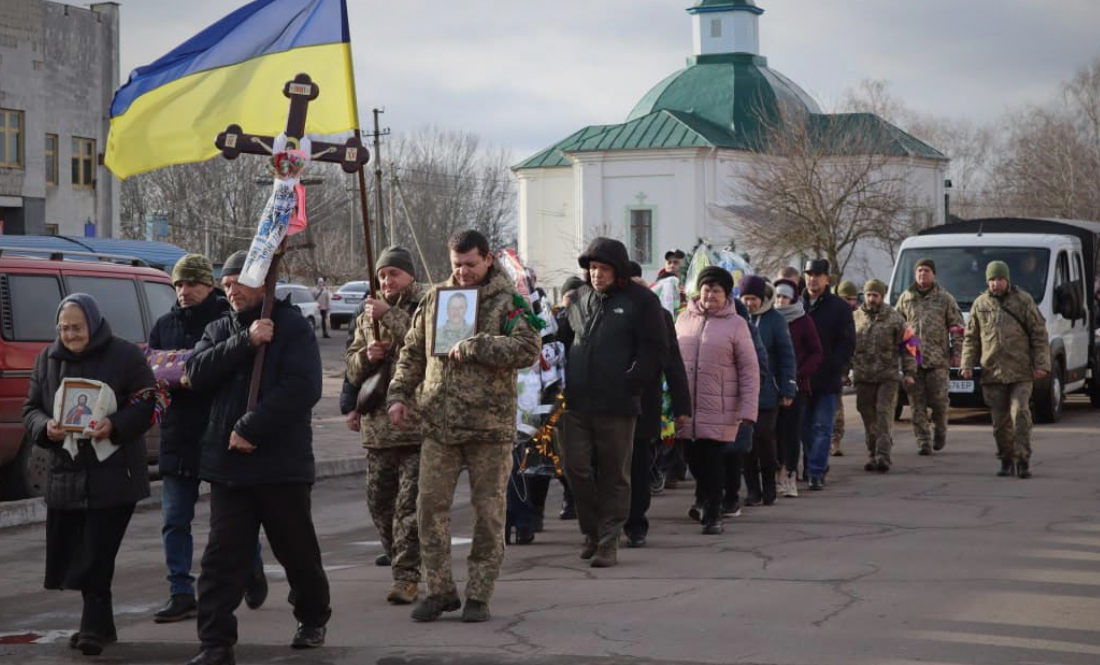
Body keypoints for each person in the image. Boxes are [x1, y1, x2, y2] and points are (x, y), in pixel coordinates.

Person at [183, 250, 330, 665]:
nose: (230, 291)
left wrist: (252, 426)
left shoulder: (292, 327)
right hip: (229, 468)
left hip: (281, 465)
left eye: (238, 282)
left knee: (297, 551)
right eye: (225, 284)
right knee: (221, 559)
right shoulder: (219, 329)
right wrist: (245, 342)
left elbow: (303, 388)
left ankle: (312, 616)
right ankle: (215, 642)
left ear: (263, 282)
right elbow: (196, 374)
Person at [387, 230, 540, 623]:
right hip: (439, 423)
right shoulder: (436, 299)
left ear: (488, 260)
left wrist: (479, 345)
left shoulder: (508, 303)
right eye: (456, 264)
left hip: (489, 428)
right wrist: (399, 395)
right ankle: (440, 591)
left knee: (488, 513)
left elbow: (528, 350)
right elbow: (411, 353)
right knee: (429, 509)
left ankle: (479, 594)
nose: (463, 272)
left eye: (470, 264)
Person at [22, 293, 157, 656]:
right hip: (66, 474)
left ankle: (92, 628)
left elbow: (148, 401)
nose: (70, 335)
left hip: (114, 474)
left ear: (94, 324)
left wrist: (114, 425)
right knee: (79, 551)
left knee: (97, 552)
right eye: (64, 328)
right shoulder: (46, 360)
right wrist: (44, 427)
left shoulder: (125, 355)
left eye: (77, 327)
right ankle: (104, 625)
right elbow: (31, 408)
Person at [149, 254, 268, 624]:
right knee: (175, 519)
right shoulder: (164, 326)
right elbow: (153, 369)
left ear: (209, 285)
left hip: (218, 431)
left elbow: (234, 370)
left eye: (192, 284)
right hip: (178, 433)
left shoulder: (227, 322)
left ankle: (251, 567)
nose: (184, 291)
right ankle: (181, 591)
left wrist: (197, 372)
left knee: (230, 519)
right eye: (179, 285)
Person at [556, 237, 669, 567]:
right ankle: (591, 531)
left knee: (614, 475)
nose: (596, 275)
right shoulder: (577, 299)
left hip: (618, 405)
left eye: (603, 269)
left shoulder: (642, 302)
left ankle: (608, 541)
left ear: (617, 271)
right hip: (577, 402)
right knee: (575, 468)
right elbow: (562, 339)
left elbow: (656, 349)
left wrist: (633, 379)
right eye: (592, 269)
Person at [346, 246, 425, 605]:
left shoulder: (427, 302)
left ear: (409, 275)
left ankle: (406, 576)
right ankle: (401, 559)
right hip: (378, 426)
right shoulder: (367, 313)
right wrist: (366, 356)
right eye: (381, 275)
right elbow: (351, 366)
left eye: (393, 274)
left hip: (417, 424)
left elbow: (428, 343)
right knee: (379, 502)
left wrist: (391, 315)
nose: (387, 281)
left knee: (409, 506)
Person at [676, 267, 760, 534]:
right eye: (706, 289)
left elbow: (749, 368)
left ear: (727, 295)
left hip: (720, 406)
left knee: (712, 461)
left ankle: (713, 513)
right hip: (687, 406)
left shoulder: (737, 325)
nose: (710, 294)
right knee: (692, 459)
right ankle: (706, 500)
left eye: (716, 290)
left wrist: (748, 408)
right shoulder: (683, 319)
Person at [960, 261, 1050, 479]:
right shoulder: (980, 304)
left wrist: (1042, 365)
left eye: (999, 279)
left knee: (1020, 413)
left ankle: (1023, 458)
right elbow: (971, 338)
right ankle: (1006, 459)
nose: (995, 284)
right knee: (1000, 422)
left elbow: (1039, 334)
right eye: (991, 280)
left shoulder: (1023, 301)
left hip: (1020, 371)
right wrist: (967, 364)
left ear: (1007, 280)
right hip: (993, 372)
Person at [623, 261, 690, 547]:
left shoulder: (660, 316)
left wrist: (682, 405)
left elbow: (673, 362)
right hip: (606, 403)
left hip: (643, 402)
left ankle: (636, 522)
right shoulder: (601, 309)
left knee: (638, 463)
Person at [895, 258, 965, 455]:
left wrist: (957, 353)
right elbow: (897, 326)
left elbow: (957, 328)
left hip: (938, 360)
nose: (922, 274)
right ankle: (923, 441)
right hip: (913, 360)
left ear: (933, 274)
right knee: (916, 405)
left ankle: (940, 431)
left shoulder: (944, 298)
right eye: (918, 271)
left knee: (939, 401)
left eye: (926, 271)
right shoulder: (906, 298)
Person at [739, 275, 796, 505]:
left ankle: (770, 484)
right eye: (746, 298)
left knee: (764, 437)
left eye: (753, 298)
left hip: (767, 392)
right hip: (742, 393)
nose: (750, 303)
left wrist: (787, 388)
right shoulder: (737, 318)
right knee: (745, 442)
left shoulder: (775, 320)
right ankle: (753, 489)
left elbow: (786, 356)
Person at [800, 259, 856, 491]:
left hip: (827, 378)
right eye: (809, 274)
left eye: (818, 274)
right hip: (801, 378)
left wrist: (836, 365)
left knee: (823, 427)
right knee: (804, 429)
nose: (813, 278)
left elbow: (848, 342)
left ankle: (815, 472)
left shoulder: (838, 307)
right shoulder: (796, 304)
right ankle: (813, 464)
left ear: (827, 278)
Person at [852, 280, 917, 472]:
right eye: (869, 295)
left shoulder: (895, 318)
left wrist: (909, 372)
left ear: (882, 296)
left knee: (883, 413)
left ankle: (883, 456)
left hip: (887, 376)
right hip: (863, 376)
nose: (872, 299)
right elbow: (846, 346)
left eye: (876, 295)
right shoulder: (854, 318)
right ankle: (873, 452)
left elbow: (910, 346)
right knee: (866, 414)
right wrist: (844, 371)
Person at [772, 278, 822, 497]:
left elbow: (815, 351)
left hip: (797, 386)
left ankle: (791, 473)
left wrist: (801, 372)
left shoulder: (803, 321)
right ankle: (777, 472)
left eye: (785, 297)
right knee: (773, 432)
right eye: (778, 297)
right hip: (772, 385)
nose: (781, 301)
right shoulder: (770, 319)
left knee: (791, 432)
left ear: (793, 299)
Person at [830, 280, 860, 457]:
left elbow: (853, 346)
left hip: (858, 369)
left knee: (837, 410)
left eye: (853, 299)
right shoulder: (833, 315)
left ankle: (836, 441)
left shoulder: (860, 316)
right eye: (846, 298)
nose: (850, 302)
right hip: (831, 368)